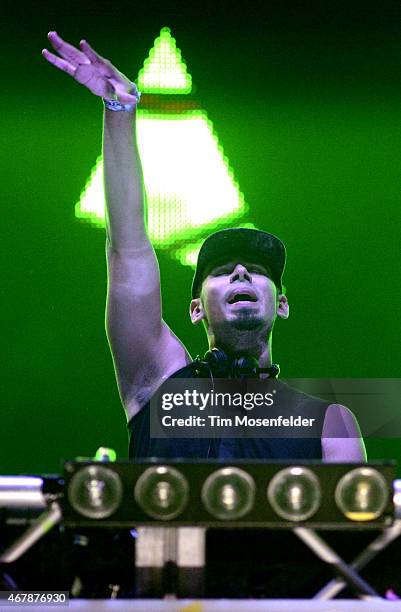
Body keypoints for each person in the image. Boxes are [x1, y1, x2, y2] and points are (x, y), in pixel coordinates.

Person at [42, 32, 366, 462]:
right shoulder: (156, 379)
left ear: (282, 304)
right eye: (221, 269)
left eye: (259, 270)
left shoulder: (330, 421)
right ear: (195, 308)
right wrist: (119, 111)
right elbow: (128, 250)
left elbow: (350, 529)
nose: (242, 273)